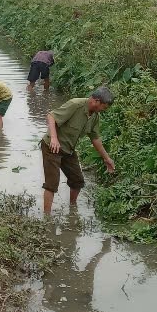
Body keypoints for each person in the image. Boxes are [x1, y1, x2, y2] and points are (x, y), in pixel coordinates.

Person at [41, 86, 116, 215]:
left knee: (77, 181)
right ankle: (47, 217)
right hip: (51, 147)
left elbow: (95, 139)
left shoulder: (95, 117)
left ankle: (72, 208)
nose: (104, 110)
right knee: (52, 184)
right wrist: (54, 138)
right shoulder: (75, 104)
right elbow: (51, 116)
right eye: (104, 107)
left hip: (68, 150)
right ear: (96, 101)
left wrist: (106, 158)